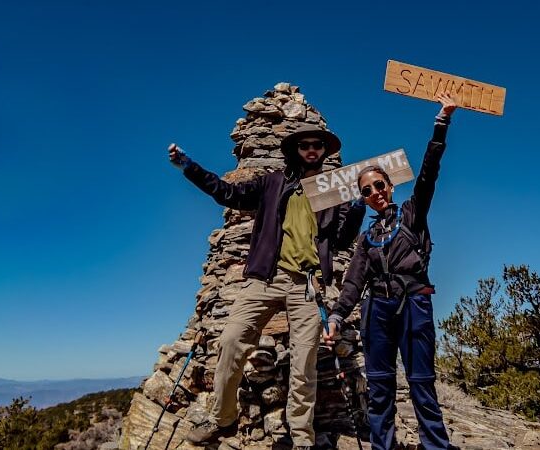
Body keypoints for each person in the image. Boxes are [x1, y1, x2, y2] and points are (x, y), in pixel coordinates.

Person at [168, 124, 365, 449]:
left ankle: (302, 438)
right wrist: (189, 167)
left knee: (305, 361)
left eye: (318, 145)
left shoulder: (333, 190)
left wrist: (357, 208)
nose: (312, 149)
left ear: (325, 151)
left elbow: (342, 240)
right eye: (305, 145)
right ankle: (223, 419)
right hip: (263, 279)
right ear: (296, 150)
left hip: (305, 283)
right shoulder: (274, 182)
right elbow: (228, 193)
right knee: (231, 342)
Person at [324, 93, 458, 450]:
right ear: (364, 198)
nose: (375, 192)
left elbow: (429, 174)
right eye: (366, 190)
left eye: (379, 185)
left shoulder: (412, 215)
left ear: (390, 186)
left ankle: (436, 446)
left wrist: (441, 123)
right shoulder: (367, 238)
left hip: (414, 304)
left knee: (421, 383)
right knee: (380, 387)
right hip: (376, 312)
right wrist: (337, 315)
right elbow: (353, 282)